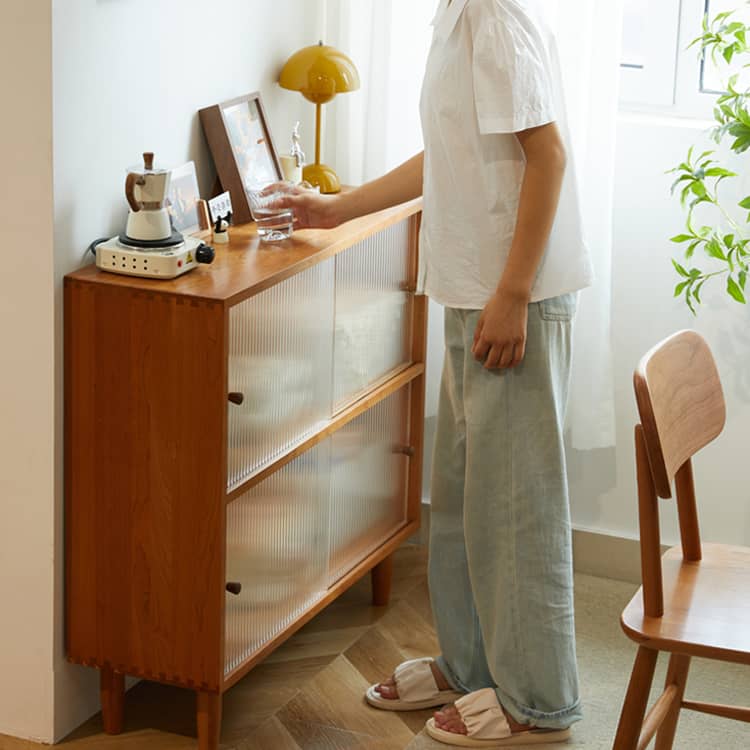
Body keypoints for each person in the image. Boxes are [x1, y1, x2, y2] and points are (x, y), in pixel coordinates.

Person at [271, 0, 593, 745]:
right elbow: (452, 154)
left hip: (512, 297)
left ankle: (536, 703)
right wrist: (338, 208)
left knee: (515, 512)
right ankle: (471, 664)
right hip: (473, 291)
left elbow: (547, 156)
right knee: (460, 499)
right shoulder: (457, 15)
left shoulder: (494, 16)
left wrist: (512, 292)